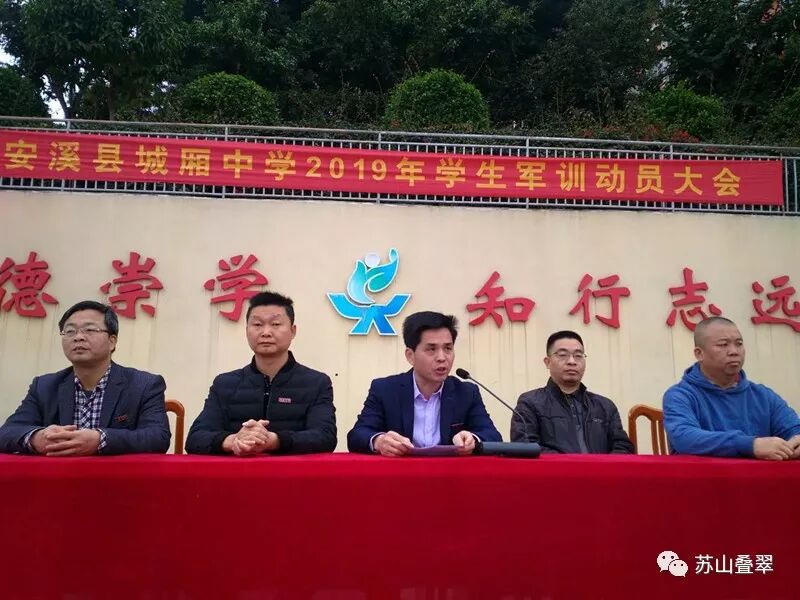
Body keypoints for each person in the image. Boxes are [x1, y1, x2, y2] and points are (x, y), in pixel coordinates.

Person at [0, 300, 170, 455]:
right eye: (70, 331)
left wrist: (101, 440)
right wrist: (36, 438)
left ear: (112, 341)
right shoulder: (44, 386)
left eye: (90, 330)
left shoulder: (144, 385)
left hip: (116, 476)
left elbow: (158, 437)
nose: (78, 337)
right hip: (58, 475)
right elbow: (6, 432)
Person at [186, 291, 336, 455]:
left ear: (293, 331)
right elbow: (195, 438)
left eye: (276, 324)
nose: (266, 332)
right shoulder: (224, 384)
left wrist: (275, 441)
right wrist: (233, 440)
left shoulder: (316, 383)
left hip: (291, 470)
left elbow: (325, 437)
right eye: (257, 325)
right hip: (237, 470)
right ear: (246, 330)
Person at [347, 311, 501, 456]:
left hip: (449, 473)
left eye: (448, 348)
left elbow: (492, 435)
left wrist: (472, 439)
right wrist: (379, 441)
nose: (442, 357)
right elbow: (357, 435)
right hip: (400, 472)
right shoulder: (385, 390)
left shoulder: (466, 392)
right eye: (431, 349)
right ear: (410, 356)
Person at [663, 316, 800, 460]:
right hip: (704, 474)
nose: (734, 351)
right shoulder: (680, 395)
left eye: (739, 344)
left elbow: (793, 428)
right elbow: (685, 438)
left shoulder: (763, 396)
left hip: (758, 475)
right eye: (723, 345)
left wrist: (796, 441)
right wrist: (750, 445)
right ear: (699, 354)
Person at [511, 330, 633, 454]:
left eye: (578, 356)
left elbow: (623, 447)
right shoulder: (530, 403)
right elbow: (526, 448)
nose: (572, 361)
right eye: (563, 355)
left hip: (601, 467)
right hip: (555, 467)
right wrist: (571, 464)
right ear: (547, 362)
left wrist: (601, 465)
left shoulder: (605, 406)